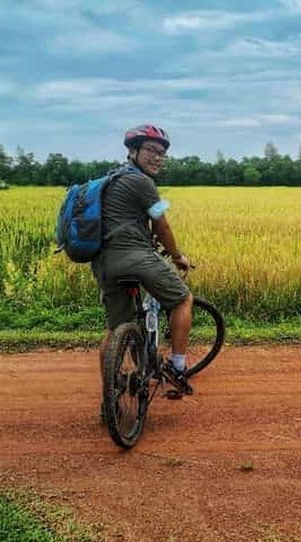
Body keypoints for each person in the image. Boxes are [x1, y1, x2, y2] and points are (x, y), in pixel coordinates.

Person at [92, 124, 195, 399]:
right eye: (151, 150)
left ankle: (110, 396)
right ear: (133, 151)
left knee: (115, 330)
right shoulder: (142, 183)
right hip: (135, 257)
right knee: (182, 299)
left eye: (162, 153)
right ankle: (177, 367)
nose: (158, 157)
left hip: (104, 263)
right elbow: (162, 225)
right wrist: (177, 256)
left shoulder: (111, 179)